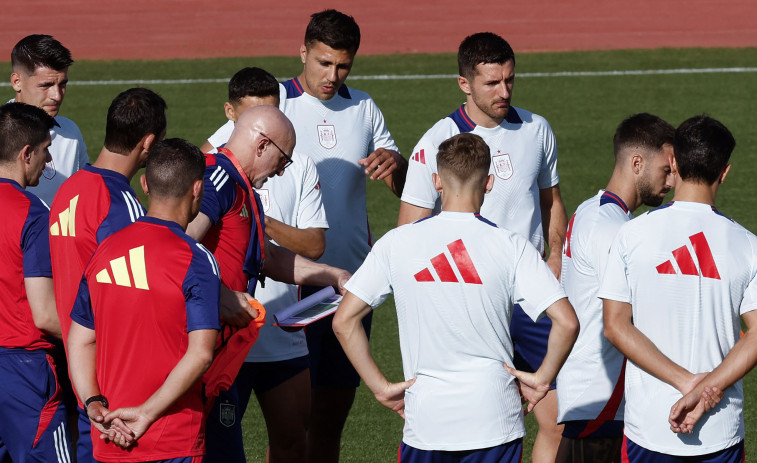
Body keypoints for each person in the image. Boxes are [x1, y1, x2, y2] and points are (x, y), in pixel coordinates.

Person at [205, 11, 407, 461]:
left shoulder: (364, 108)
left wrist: (396, 165)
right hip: (285, 288)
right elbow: (212, 159)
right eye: (323, 63)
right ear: (303, 53)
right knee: (280, 417)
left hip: (346, 286)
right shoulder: (274, 108)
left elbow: (402, 183)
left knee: (330, 416)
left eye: (343, 66)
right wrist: (250, 224)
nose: (332, 76)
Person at [333, 133, 578, 463]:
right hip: (495, 421)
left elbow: (343, 321)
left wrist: (380, 386)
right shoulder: (512, 246)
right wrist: (542, 378)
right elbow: (567, 322)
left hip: (427, 422)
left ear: (436, 181)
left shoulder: (396, 244)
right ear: (489, 183)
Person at [397, 31, 568, 462]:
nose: (504, 91)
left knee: (559, 419)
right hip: (467, 297)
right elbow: (409, 233)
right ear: (465, 84)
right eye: (492, 83)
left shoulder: (536, 129)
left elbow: (552, 203)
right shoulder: (438, 142)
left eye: (509, 80)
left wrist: (552, 258)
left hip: (526, 299)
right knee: (467, 423)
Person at [186, 104, 349, 463]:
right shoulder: (218, 178)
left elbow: (268, 258)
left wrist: (333, 276)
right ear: (262, 145)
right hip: (205, 351)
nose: (281, 171)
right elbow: (180, 245)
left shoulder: (247, 192)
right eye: (282, 158)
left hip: (225, 349)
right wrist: (220, 295)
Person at [600, 115, 757, 462]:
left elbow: (615, 326)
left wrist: (686, 382)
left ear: (674, 161)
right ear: (724, 172)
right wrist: (705, 388)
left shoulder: (631, 234)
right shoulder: (748, 245)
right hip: (720, 430)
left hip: (649, 428)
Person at [67, 138, 221, 462]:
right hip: (171, 440)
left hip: (109, 436)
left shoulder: (104, 251)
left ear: (145, 184)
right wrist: (145, 414)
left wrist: (93, 402)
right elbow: (201, 354)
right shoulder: (196, 259)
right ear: (197, 190)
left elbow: (80, 341)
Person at [49, 87, 166, 462]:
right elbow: (134, 292)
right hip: (111, 374)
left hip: (74, 363)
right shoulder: (121, 204)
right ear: (147, 143)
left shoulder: (68, 190)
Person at [556, 113, 675, 463]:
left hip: (594, 396)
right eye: (665, 170)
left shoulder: (596, 212)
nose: (671, 181)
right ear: (637, 163)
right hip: (602, 399)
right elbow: (633, 314)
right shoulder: (611, 229)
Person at [0, 102, 73, 462]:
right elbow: (44, 314)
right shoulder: (31, 213)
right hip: (24, 372)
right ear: (25, 153)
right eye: (45, 151)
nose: (48, 163)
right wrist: (99, 339)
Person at [9, 34, 88, 205]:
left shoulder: (71, 132)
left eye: (62, 84)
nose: (57, 96)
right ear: (17, 82)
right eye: (46, 85)